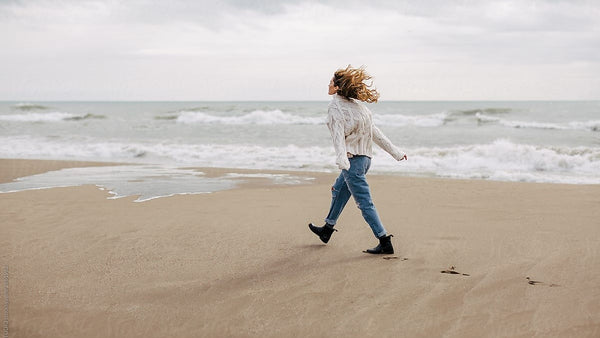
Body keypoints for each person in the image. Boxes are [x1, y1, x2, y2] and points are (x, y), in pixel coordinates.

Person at [308, 65, 407, 254]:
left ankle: (384, 240)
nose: (328, 84)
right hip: (365, 160)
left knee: (364, 203)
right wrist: (395, 152)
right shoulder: (360, 107)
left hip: (352, 161)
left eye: (330, 82)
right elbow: (375, 133)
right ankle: (327, 230)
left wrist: (342, 161)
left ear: (337, 87)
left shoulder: (335, 107)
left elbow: (337, 136)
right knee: (338, 189)